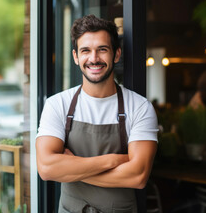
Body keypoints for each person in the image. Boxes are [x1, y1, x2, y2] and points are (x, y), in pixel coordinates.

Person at [36, 15, 159, 213]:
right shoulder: (58, 104)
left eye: (102, 50)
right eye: (86, 51)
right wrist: (113, 160)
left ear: (116, 55)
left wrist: (71, 168)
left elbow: (138, 176)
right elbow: (46, 168)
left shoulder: (139, 107)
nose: (94, 59)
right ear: (76, 57)